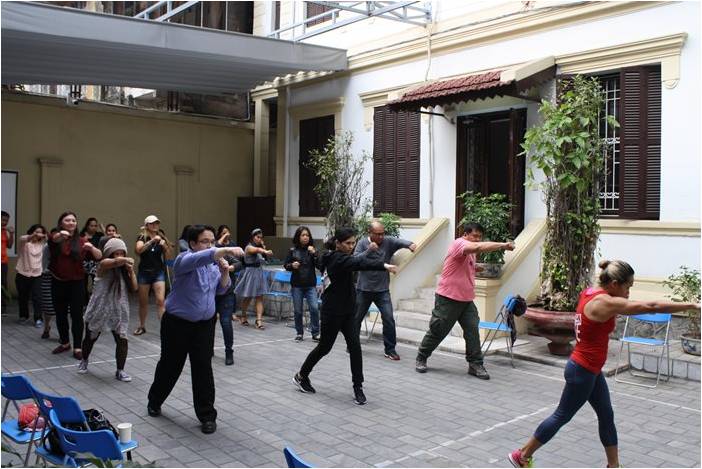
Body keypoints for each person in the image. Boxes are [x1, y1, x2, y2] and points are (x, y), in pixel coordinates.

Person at [508, 260, 701, 468]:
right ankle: (523, 454)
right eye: (628, 287)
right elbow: (651, 306)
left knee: (606, 414)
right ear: (615, 284)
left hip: (589, 369)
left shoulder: (591, 292)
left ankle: (614, 465)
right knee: (562, 415)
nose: (629, 293)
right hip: (582, 370)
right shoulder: (606, 303)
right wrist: (692, 305)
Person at [146, 225, 244, 434]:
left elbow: (221, 289)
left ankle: (207, 416)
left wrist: (225, 272)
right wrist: (225, 250)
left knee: (203, 369)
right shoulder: (184, 260)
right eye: (204, 241)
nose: (209, 245)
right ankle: (154, 400)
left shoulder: (213, 265)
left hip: (204, 326)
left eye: (211, 241)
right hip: (177, 324)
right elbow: (203, 257)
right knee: (170, 365)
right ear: (192, 244)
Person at [293, 227, 397, 405]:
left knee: (355, 348)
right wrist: (384, 265)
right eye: (348, 243)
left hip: (348, 311)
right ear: (338, 243)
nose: (351, 246)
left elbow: (357, 261)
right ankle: (302, 375)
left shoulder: (339, 256)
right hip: (332, 312)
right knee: (324, 348)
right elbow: (360, 263)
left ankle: (358, 387)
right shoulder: (336, 259)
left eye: (353, 242)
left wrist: (377, 260)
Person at [415, 222, 514, 379]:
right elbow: (478, 248)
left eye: (480, 237)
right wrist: (503, 245)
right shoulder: (459, 243)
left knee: (472, 330)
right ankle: (422, 356)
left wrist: (475, 268)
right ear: (465, 234)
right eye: (475, 236)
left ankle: (475, 364)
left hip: (466, 299)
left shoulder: (470, 252)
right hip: (448, 298)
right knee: (438, 329)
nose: (477, 239)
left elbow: (462, 265)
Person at [353, 221, 416, 360]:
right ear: (370, 233)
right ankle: (352, 345)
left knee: (388, 319)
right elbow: (355, 261)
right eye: (378, 234)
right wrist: (369, 250)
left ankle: (390, 349)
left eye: (383, 233)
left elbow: (399, 241)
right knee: (356, 319)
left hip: (382, 290)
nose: (381, 237)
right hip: (364, 289)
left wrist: (410, 244)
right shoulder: (362, 243)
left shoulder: (388, 242)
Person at [78, 238, 138, 382]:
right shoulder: (103, 265)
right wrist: (125, 259)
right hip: (100, 308)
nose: (118, 256)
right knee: (90, 337)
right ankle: (84, 360)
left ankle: (120, 370)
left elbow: (134, 288)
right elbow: (114, 262)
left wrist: (131, 272)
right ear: (109, 253)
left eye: (121, 252)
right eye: (115, 253)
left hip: (118, 310)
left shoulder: (124, 269)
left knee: (122, 339)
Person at [49, 211, 102, 359]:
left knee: (77, 315)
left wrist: (91, 248)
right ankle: (65, 342)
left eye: (73, 220)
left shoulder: (81, 241)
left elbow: (99, 256)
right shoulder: (56, 238)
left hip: (77, 283)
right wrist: (61, 235)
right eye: (67, 220)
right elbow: (54, 239)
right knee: (60, 314)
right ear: (61, 223)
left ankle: (78, 347)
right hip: (58, 282)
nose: (71, 222)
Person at [134, 215, 172, 335]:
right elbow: (138, 251)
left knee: (161, 300)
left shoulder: (161, 237)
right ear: (146, 225)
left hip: (158, 272)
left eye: (156, 223)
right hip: (144, 273)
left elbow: (169, 257)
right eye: (152, 223)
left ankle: (165, 327)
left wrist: (164, 246)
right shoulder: (142, 237)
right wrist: (151, 241)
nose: (155, 225)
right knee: (143, 301)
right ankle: (142, 326)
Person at [284, 226, 320, 342]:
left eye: (307, 235)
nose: (305, 237)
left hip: (310, 285)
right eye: (303, 235)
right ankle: (299, 332)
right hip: (297, 285)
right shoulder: (292, 250)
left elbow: (320, 265)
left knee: (314, 308)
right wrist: (291, 266)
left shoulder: (312, 250)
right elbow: (286, 265)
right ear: (298, 237)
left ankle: (315, 333)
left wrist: (314, 254)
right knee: (298, 310)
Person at [234, 228, 272, 330]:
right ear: (253, 237)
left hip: (259, 272)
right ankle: (243, 315)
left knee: (259, 297)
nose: (259, 239)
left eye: (261, 237)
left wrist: (264, 249)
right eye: (257, 237)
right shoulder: (249, 247)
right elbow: (256, 250)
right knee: (248, 297)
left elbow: (265, 260)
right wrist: (264, 250)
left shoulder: (260, 248)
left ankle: (259, 320)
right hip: (250, 273)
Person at [214, 225, 242, 365]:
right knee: (208, 323)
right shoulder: (211, 251)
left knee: (225, 322)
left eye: (227, 234)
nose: (227, 236)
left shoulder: (228, 252)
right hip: (210, 294)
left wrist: (229, 268)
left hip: (227, 293)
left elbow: (238, 263)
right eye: (223, 234)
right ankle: (208, 349)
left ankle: (229, 352)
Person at [15, 224, 47, 326]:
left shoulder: (43, 245)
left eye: (40, 232)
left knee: (37, 297)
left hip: (37, 274)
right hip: (22, 273)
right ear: (31, 232)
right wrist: (31, 236)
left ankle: (38, 318)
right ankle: (23, 316)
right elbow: (22, 238)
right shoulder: (25, 243)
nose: (38, 234)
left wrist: (45, 237)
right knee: (23, 296)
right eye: (36, 232)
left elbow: (52, 242)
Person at [80, 218, 105, 303]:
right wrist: (84, 238)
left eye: (95, 226)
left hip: (96, 262)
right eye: (91, 225)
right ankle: (85, 303)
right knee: (83, 285)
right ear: (87, 226)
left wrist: (103, 229)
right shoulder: (82, 234)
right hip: (84, 262)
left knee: (97, 283)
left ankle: (95, 302)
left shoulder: (99, 235)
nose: (94, 227)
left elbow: (108, 240)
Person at [39, 230, 58, 339]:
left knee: (63, 307)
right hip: (48, 276)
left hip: (62, 278)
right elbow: (45, 264)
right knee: (48, 305)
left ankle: (62, 333)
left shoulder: (65, 246)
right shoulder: (47, 247)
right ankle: (46, 327)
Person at [1, 211, 15, 294]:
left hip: (3, 261)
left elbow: (9, 246)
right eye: (3, 220)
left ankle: (2, 304)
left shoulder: (4, 232)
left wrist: (11, 234)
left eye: (6, 221)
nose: (5, 223)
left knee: (3, 283)